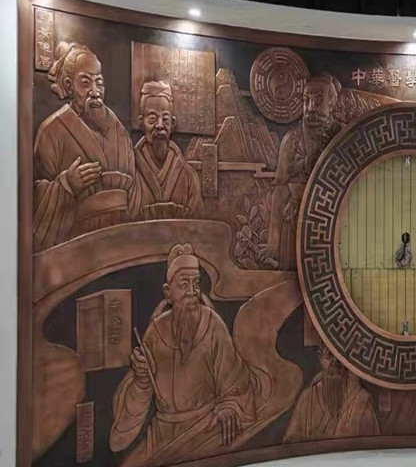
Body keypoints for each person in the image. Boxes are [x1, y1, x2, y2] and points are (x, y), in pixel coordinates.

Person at [110, 244, 260, 462]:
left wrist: (229, 407)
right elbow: (135, 406)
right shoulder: (155, 332)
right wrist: (142, 380)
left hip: (203, 433)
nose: (192, 292)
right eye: (184, 285)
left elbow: (235, 383)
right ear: (167, 293)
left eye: (196, 284)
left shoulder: (213, 326)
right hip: (161, 437)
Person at [33, 42, 139, 250]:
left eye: (99, 83)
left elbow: (136, 191)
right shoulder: (52, 131)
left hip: (122, 241)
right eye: (85, 83)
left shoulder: (118, 131)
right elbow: (33, 198)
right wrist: (66, 184)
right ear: (69, 86)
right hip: (77, 245)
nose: (95, 91)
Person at [266, 74, 343, 268]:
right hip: (295, 222)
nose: (310, 108)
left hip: (335, 221)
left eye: (318, 101)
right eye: (306, 100)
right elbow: (279, 191)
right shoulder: (292, 140)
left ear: (332, 103)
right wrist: (273, 247)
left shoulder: (342, 136)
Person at [134, 81, 202, 219]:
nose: (159, 126)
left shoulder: (188, 176)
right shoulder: (130, 171)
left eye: (165, 119)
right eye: (152, 119)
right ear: (141, 123)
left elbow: (198, 225)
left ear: (173, 124)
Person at [283, 345, 379, 442]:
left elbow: (373, 444)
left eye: (339, 356)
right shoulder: (308, 397)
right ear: (320, 357)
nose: (335, 361)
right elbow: (290, 440)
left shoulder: (361, 400)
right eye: (330, 355)